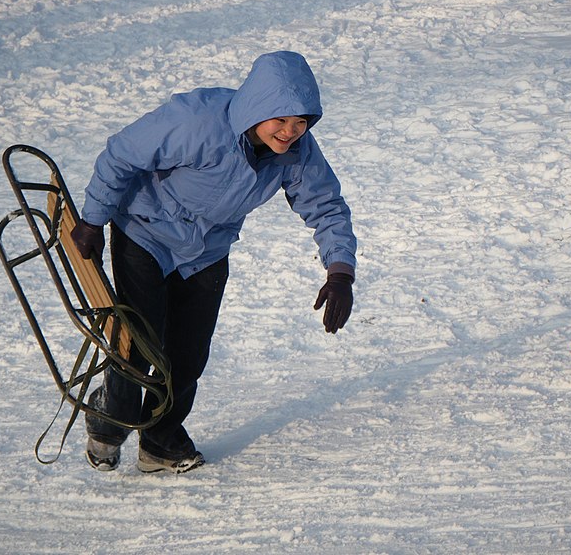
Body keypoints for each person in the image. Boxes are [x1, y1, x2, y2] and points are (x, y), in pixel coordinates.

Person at [71, 51, 357, 474]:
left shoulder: (296, 152)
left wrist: (340, 273)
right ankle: (107, 421)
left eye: (300, 123)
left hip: (207, 249)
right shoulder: (197, 121)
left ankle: (160, 442)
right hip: (146, 231)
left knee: (188, 355)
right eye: (281, 120)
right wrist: (93, 219)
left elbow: (326, 205)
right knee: (138, 344)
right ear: (258, 107)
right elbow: (122, 154)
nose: (290, 132)